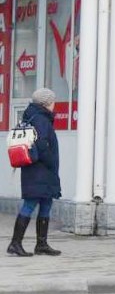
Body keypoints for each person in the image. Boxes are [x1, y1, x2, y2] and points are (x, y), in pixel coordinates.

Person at [8, 88, 62, 258]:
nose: (54, 104)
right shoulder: (41, 119)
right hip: (40, 170)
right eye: (53, 101)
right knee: (30, 204)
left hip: (38, 170)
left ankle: (42, 244)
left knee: (46, 202)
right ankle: (15, 243)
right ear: (47, 103)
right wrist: (51, 162)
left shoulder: (33, 116)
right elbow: (42, 145)